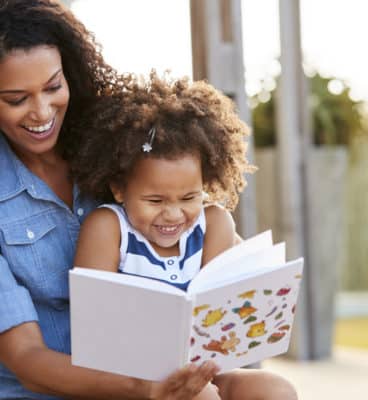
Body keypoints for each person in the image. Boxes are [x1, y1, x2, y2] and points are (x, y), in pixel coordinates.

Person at [0, 0, 297, 399]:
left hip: (166, 370)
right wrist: (143, 387)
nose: (41, 111)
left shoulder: (116, 150)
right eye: (16, 99)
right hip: (65, 385)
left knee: (271, 390)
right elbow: (26, 358)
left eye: (53, 87)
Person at [71, 73, 298, 400]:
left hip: (204, 370)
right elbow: (93, 327)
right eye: (155, 201)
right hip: (132, 384)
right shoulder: (107, 228)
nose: (174, 215)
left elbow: (220, 312)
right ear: (119, 188)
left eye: (189, 198)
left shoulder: (215, 223)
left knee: (275, 389)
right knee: (201, 396)